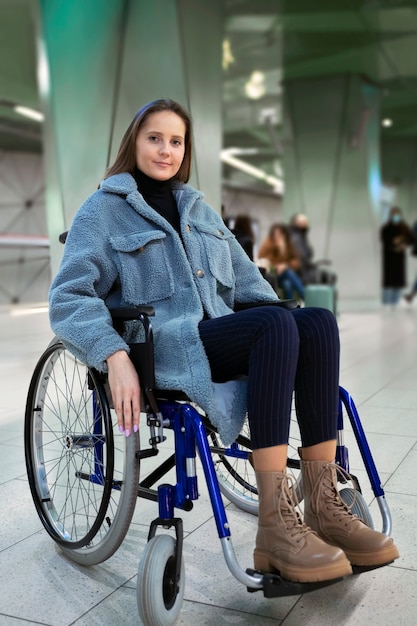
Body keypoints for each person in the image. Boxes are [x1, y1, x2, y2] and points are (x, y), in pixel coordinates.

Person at [49, 98, 399, 584]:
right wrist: (113, 355)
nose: (166, 150)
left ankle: (321, 502)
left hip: (217, 333)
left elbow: (249, 284)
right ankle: (276, 527)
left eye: (176, 141)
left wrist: (290, 319)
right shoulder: (103, 211)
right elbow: (68, 297)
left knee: (316, 321)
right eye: (155, 138)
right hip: (165, 344)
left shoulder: (199, 209)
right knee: (274, 327)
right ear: (134, 142)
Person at [257, 223, 305, 300]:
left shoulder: (288, 245)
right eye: (275, 234)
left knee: (287, 284)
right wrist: (278, 252)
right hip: (272, 275)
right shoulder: (268, 244)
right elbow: (263, 260)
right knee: (288, 272)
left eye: (280, 234)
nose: (277, 237)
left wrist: (286, 264)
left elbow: (296, 262)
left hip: (283, 276)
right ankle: (305, 296)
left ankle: (290, 308)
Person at [289, 213, 336, 286]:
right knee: (329, 277)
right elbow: (303, 256)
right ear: (296, 223)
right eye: (304, 223)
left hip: (304, 270)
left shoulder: (300, 236)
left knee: (328, 276)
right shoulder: (296, 237)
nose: (306, 225)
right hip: (301, 272)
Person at [380, 207, 414, 306]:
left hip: (399, 258)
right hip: (389, 258)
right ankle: (386, 303)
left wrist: (404, 243)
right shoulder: (386, 228)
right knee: (389, 282)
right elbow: (385, 240)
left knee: (398, 282)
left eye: (397, 215)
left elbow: (411, 239)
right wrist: (393, 242)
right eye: (394, 215)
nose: (396, 217)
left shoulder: (404, 227)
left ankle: (396, 303)